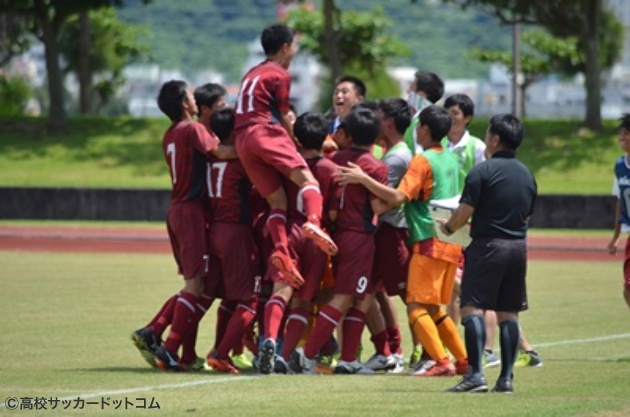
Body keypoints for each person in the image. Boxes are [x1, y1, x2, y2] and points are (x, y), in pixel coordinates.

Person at [336, 105, 468, 377]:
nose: (415, 131)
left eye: (418, 127)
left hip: (428, 238)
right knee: (433, 308)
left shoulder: (422, 161)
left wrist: (363, 179)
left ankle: (441, 361)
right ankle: (463, 360)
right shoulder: (452, 159)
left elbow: (397, 198)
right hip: (451, 240)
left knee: (415, 305)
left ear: (426, 130)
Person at [130, 79, 235, 371]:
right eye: (189, 95)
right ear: (186, 105)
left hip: (177, 209)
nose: (192, 96)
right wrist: (258, 152)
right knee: (196, 285)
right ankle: (166, 345)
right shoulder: (193, 129)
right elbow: (221, 153)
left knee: (196, 284)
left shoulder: (169, 134)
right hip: (191, 212)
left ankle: (159, 335)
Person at [233, 23, 337, 289]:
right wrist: (294, 142)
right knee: (309, 182)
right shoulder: (280, 74)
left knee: (277, 202)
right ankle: (314, 223)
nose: (295, 53)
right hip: (264, 132)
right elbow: (282, 115)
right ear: (284, 47)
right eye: (294, 47)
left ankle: (282, 251)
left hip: (243, 139)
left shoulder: (250, 74)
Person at [442, 114, 537, 393]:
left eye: (487, 135)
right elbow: (527, 216)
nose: (485, 140)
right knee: (509, 312)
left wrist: (447, 228)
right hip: (518, 248)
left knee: (471, 307)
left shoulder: (481, 172)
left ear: (496, 139)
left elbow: (463, 213)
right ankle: (506, 379)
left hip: (487, 247)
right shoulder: (527, 174)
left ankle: (475, 375)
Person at [289, 108, 388, 374]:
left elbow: (331, 210)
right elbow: (378, 207)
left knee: (362, 297)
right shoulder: (375, 166)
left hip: (337, 233)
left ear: (347, 134)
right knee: (345, 298)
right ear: (376, 135)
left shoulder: (335, 159)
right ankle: (307, 354)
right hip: (360, 236)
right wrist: (398, 198)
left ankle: (347, 359)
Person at [257, 112, 339, 374]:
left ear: (297, 138)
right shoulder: (330, 169)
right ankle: (283, 355)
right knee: (304, 301)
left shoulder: (287, 165)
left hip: (289, 227)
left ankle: (269, 338)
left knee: (281, 291)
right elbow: (336, 212)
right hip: (316, 234)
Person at [204, 108, 261, 374]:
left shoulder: (210, 159)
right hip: (236, 231)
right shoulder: (241, 162)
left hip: (215, 229)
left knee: (228, 298)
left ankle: (218, 350)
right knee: (250, 299)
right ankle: (220, 352)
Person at [362, 98, 413, 373]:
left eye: (379, 116)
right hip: (383, 233)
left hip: (392, 233)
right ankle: (387, 352)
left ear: (389, 121)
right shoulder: (390, 152)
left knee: (411, 297)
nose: (374, 121)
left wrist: (361, 181)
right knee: (367, 291)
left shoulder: (395, 157)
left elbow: (383, 204)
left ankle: (428, 353)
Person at [607, 113, 630, 310]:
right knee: (628, 290)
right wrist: (616, 237)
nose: (621, 136)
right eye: (620, 132)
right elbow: (620, 202)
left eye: (626, 132)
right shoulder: (620, 166)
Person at [403, 70, 444, 156]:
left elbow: (420, 156)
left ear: (421, 95)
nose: (407, 91)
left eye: (411, 88)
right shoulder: (440, 120)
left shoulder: (420, 121)